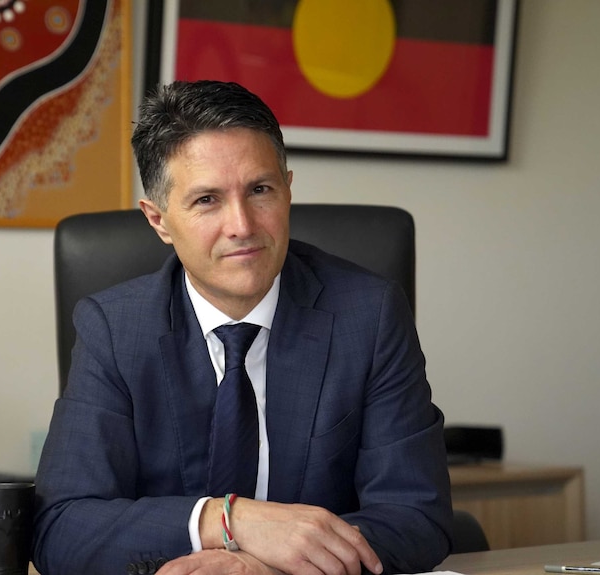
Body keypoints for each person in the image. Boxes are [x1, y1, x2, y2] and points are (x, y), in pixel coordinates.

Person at [33, 80, 452, 575]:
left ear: (288, 189)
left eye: (260, 190)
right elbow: (61, 528)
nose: (243, 225)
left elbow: (417, 516)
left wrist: (266, 568)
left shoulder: (369, 314)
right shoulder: (114, 330)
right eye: (207, 199)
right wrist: (228, 521)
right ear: (159, 220)